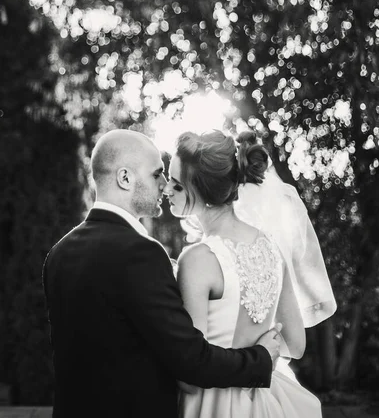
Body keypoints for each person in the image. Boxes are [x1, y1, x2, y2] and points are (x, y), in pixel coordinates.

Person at [42, 129, 282, 418]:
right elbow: (191, 360)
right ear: (125, 178)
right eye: (157, 174)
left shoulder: (59, 253)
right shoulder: (141, 254)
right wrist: (260, 360)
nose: (166, 184)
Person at [164, 129, 336, 418]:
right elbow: (295, 344)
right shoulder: (271, 248)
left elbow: (189, 378)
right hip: (266, 401)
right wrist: (260, 352)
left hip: (211, 405)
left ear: (204, 194)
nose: (167, 190)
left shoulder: (198, 259)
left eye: (177, 185)